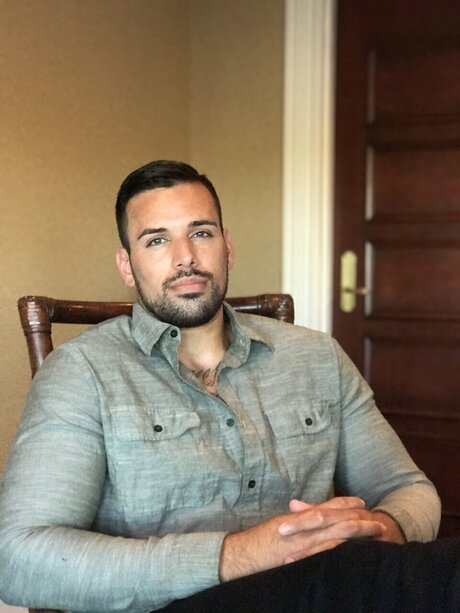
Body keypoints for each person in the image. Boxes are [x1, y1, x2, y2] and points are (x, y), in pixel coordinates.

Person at [0, 160, 458, 613]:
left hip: (331, 588)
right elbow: (19, 559)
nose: (185, 257)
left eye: (201, 233)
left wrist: (382, 527)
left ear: (228, 248)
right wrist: (240, 555)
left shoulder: (317, 356)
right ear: (127, 265)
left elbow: (409, 489)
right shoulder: (81, 373)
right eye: (157, 240)